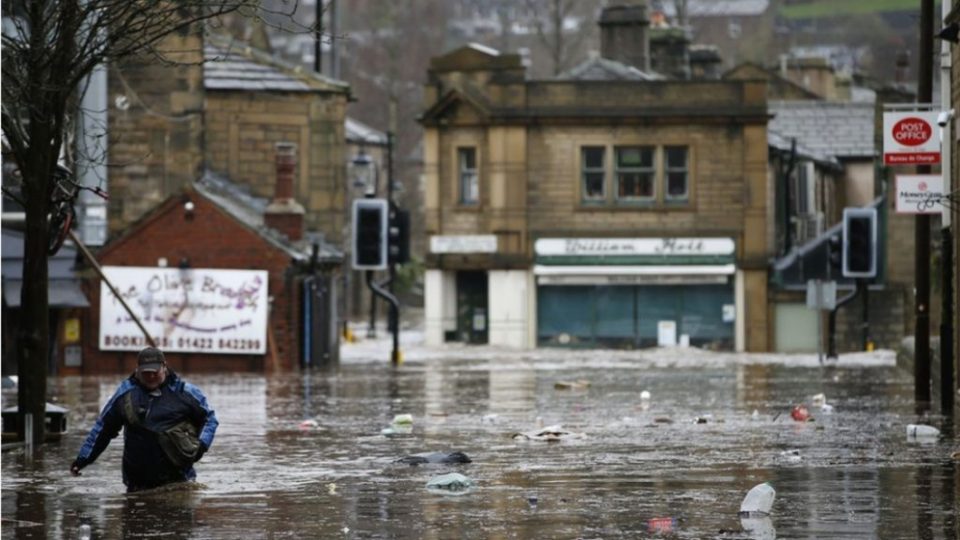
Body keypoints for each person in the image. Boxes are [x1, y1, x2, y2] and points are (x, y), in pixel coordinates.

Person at [70, 347, 218, 492]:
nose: (151, 377)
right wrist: (83, 459)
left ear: (164, 367)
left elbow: (209, 419)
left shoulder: (185, 392)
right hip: (138, 483)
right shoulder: (125, 394)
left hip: (179, 480)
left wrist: (202, 446)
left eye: (155, 372)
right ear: (137, 370)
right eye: (146, 373)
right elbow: (103, 429)